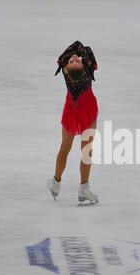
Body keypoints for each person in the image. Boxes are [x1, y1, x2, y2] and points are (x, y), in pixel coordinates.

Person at [47, 40, 99, 204]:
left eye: (73, 60)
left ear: (66, 68)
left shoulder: (64, 69)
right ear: (84, 68)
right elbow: (83, 47)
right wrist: (81, 57)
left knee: (66, 148)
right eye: (74, 61)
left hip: (72, 108)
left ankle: (56, 183)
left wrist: (69, 58)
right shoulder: (88, 68)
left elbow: (71, 50)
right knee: (85, 150)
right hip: (88, 108)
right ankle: (83, 188)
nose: (75, 58)